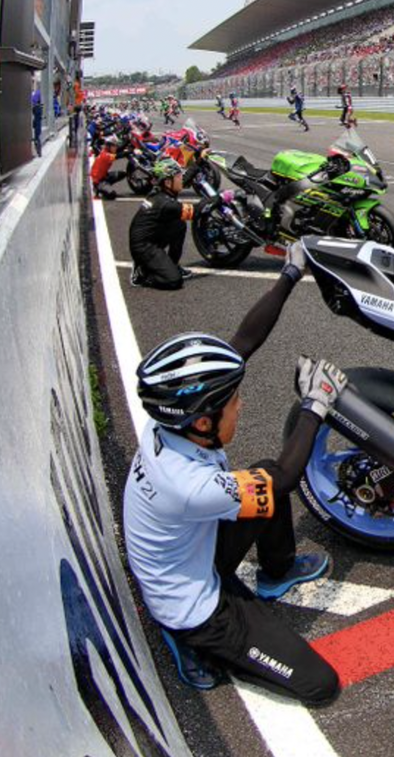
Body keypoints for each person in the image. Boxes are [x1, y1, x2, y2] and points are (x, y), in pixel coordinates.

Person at [122, 249, 343, 706]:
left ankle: (276, 573)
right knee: (320, 686)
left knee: (260, 474)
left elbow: (242, 342)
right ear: (204, 421)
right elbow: (283, 481)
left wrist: (291, 271)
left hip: (191, 549)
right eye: (234, 400)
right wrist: (316, 404)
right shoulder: (186, 486)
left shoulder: (168, 418)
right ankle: (185, 638)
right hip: (195, 607)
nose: (240, 404)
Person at [129, 158, 196, 289]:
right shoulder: (164, 203)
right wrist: (220, 198)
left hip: (151, 237)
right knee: (174, 280)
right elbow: (197, 211)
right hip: (143, 247)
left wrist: (199, 161)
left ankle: (172, 264)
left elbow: (186, 180)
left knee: (179, 224)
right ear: (167, 181)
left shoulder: (162, 192)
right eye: (178, 176)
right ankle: (143, 273)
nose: (181, 179)